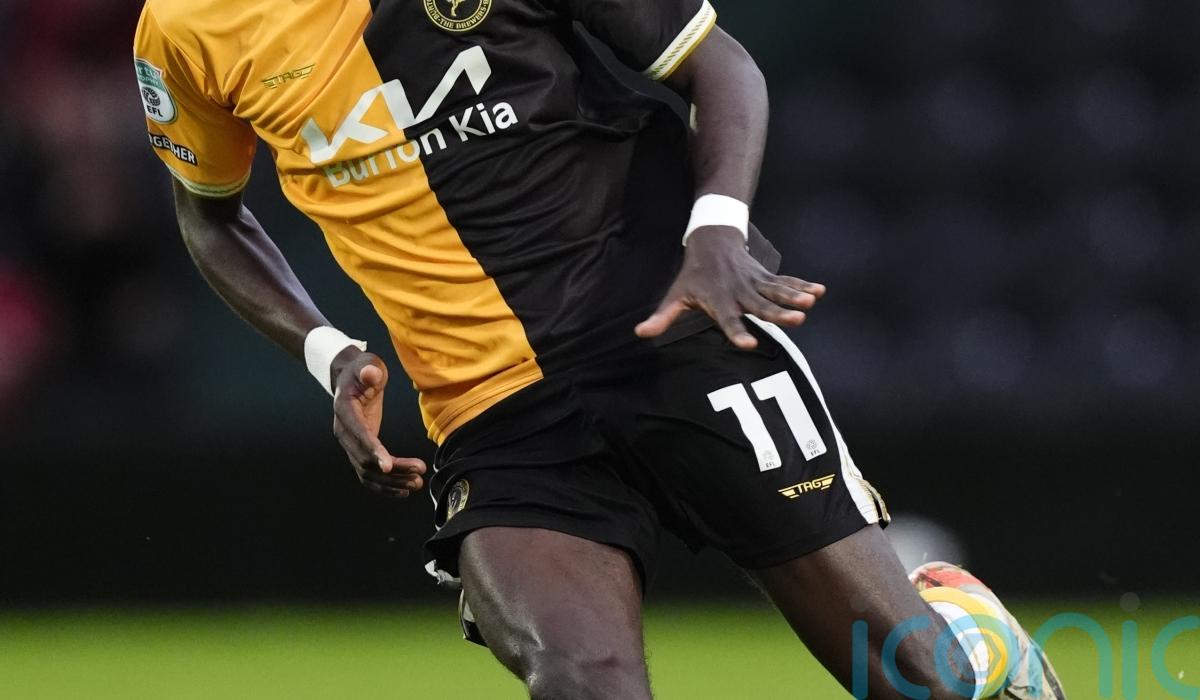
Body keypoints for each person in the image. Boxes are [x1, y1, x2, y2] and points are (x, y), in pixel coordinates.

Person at [134, 0, 1065, 697]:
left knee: (917, 681)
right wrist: (328, 352)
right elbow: (210, 219)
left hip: (672, 326)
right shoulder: (184, 29)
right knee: (583, 681)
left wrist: (718, 231)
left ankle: (964, 629)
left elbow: (720, 64)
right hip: (491, 412)